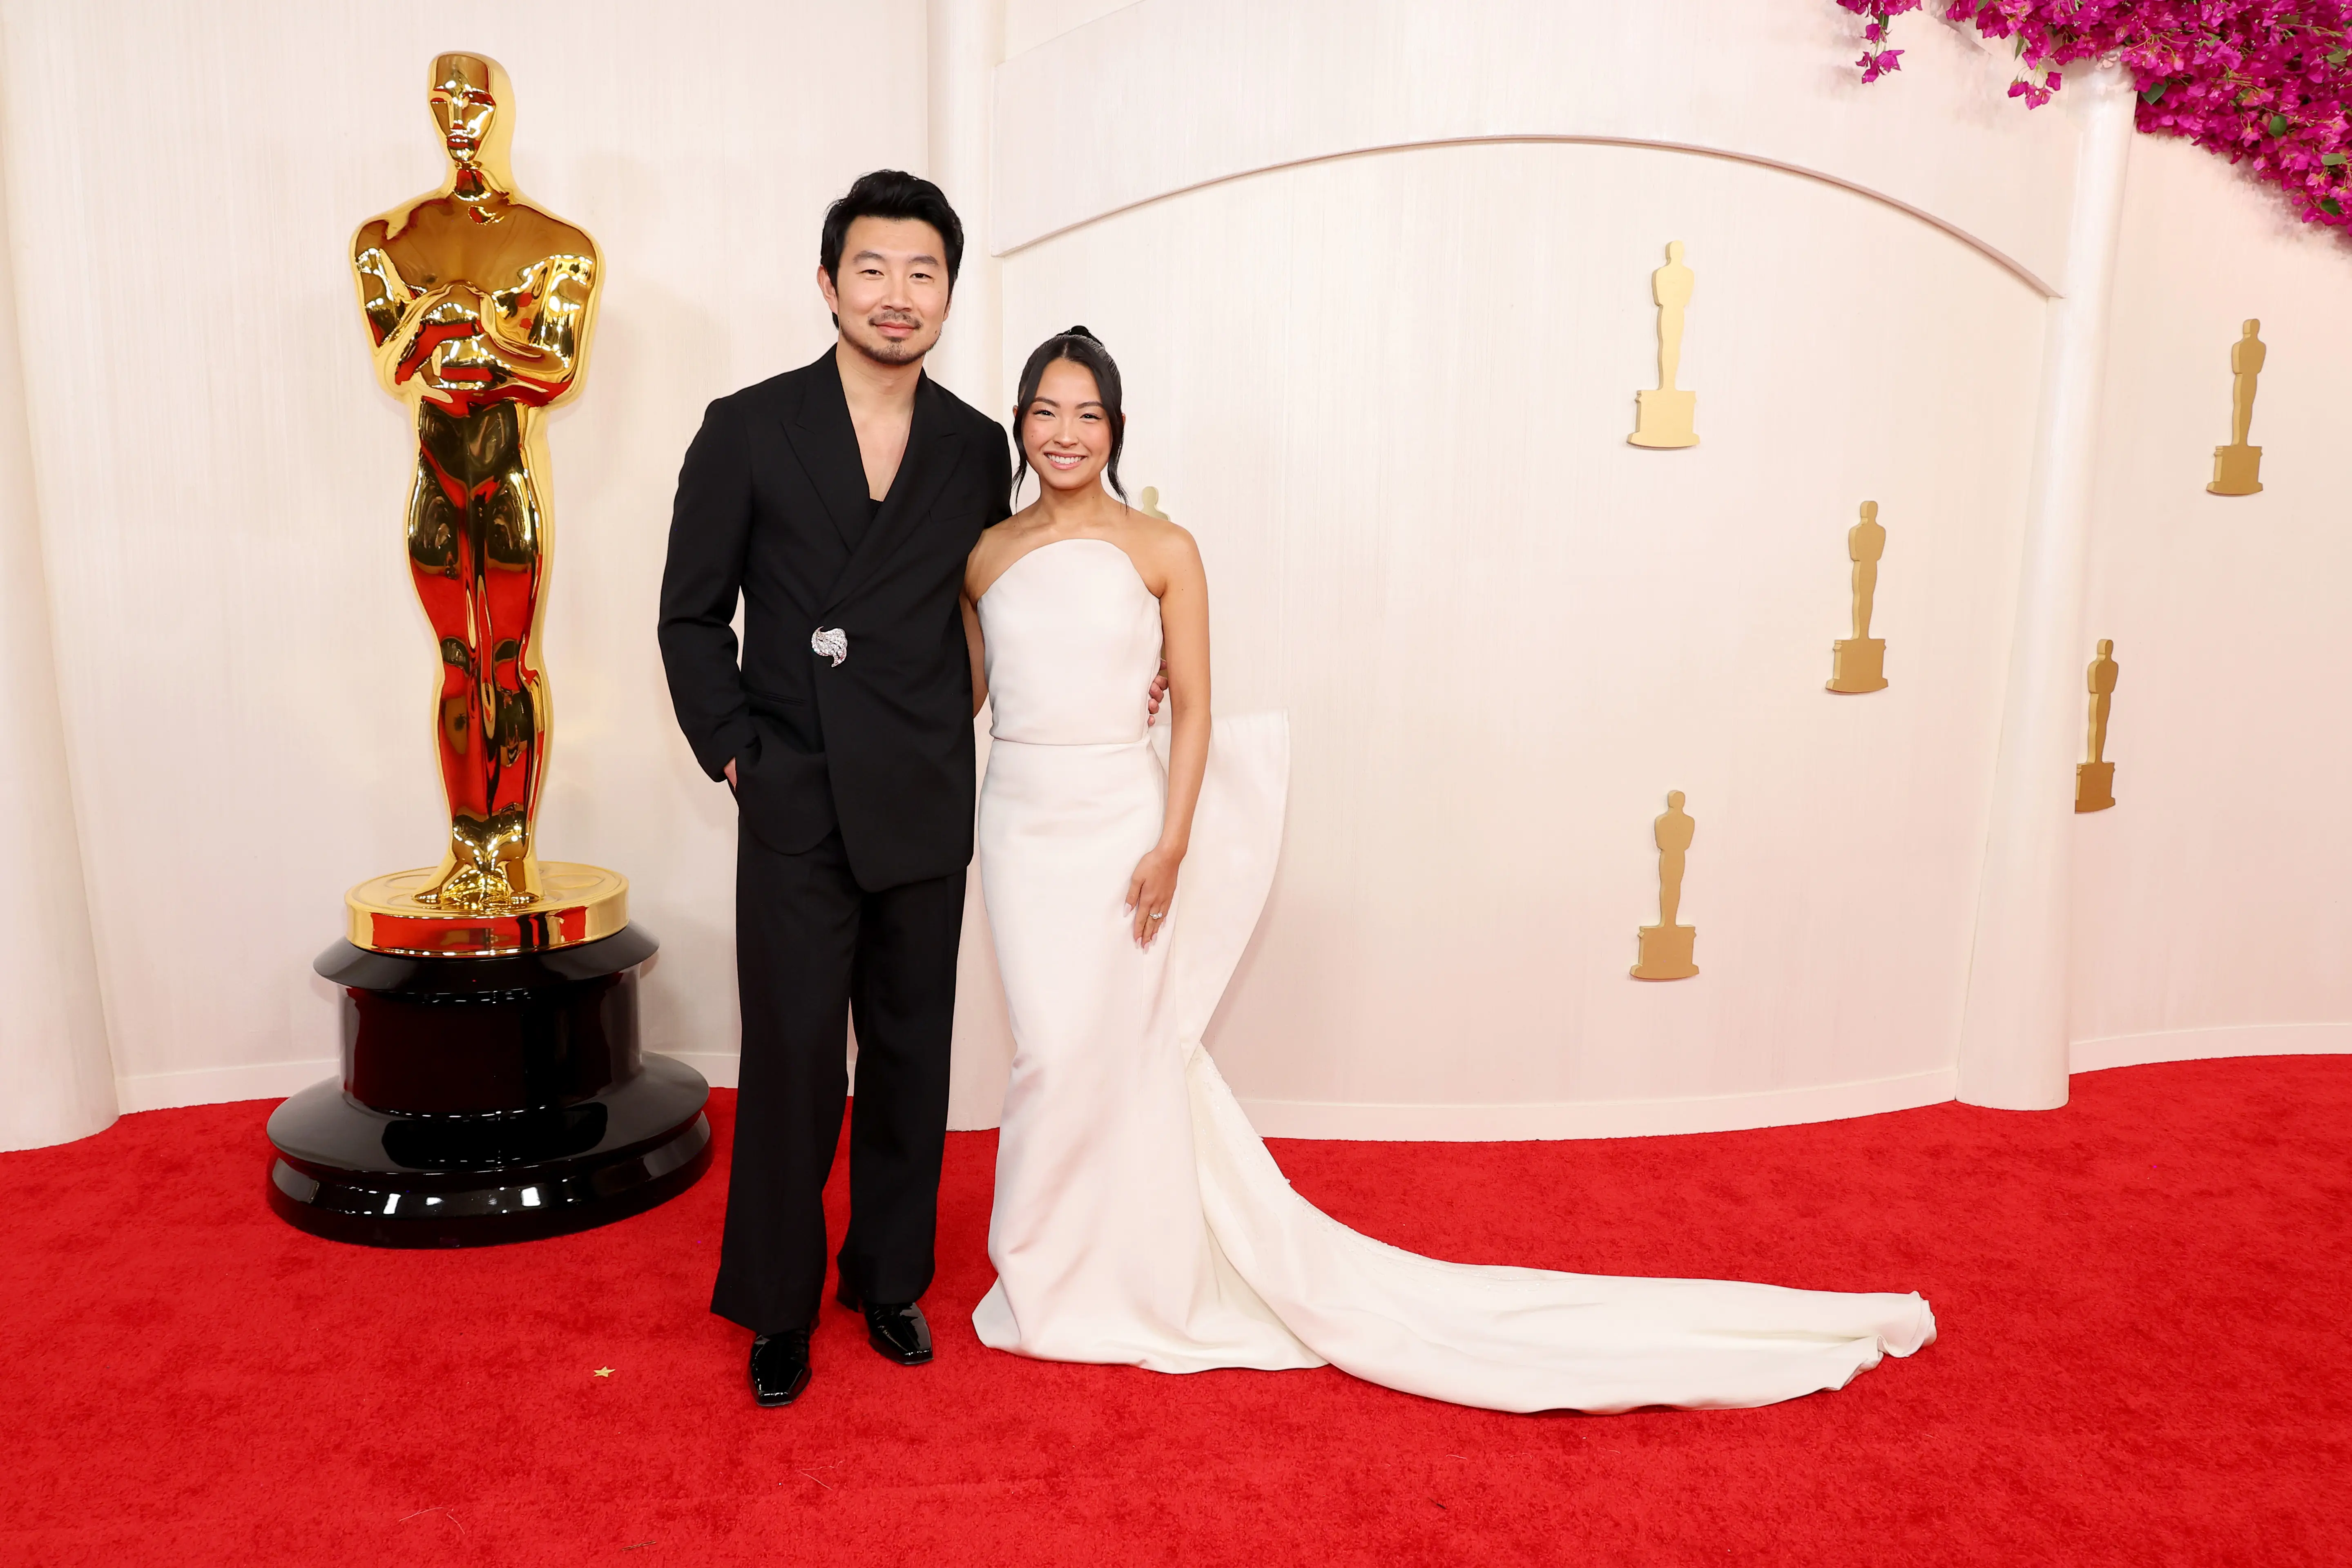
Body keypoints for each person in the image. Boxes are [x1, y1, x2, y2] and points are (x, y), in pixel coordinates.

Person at [961, 328, 1937, 1412]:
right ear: (1019, 421)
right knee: (1053, 1051)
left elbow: (1192, 704)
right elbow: (967, 695)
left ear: (1117, 427)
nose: (1064, 432)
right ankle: (1052, 1268)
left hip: (1121, 822)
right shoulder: (986, 553)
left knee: (1122, 1049)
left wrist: (1172, 843)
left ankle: (1112, 1276)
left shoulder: (1163, 547)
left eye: (1086, 413)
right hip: (1016, 821)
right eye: (1045, 411)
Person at [657, 175, 1167, 1408]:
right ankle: (776, 1303)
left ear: (948, 293)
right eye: (873, 270)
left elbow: (999, 593)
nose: (898, 295)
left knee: (908, 1051)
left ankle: (885, 1278)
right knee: (790, 1060)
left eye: (922, 273)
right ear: (828, 283)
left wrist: (1112, 673)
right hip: (794, 793)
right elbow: (687, 616)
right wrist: (739, 755)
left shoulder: (966, 445)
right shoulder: (745, 426)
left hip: (924, 792)